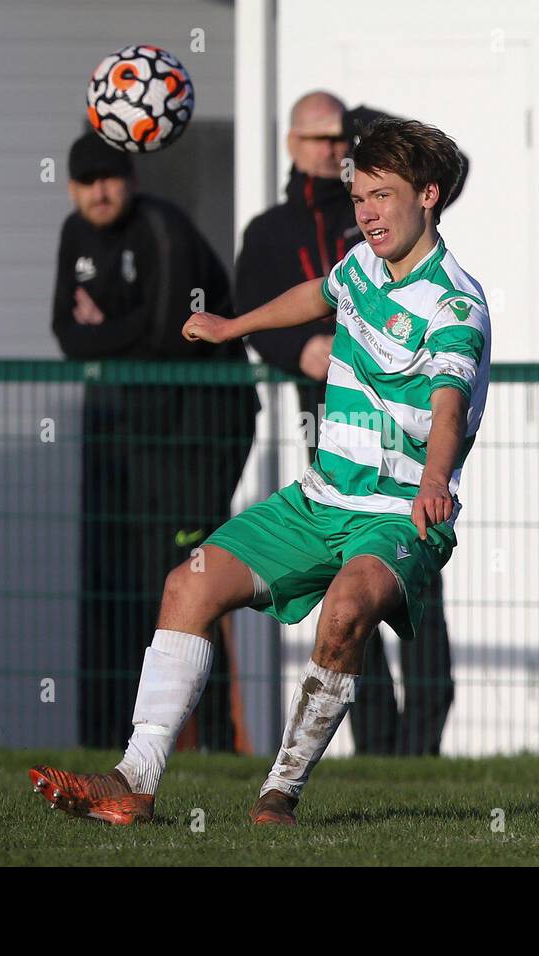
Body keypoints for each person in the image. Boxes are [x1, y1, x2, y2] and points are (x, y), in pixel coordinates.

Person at [31, 118, 491, 825]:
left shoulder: (455, 301)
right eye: (359, 196)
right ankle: (134, 781)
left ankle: (279, 794)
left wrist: (435, 480)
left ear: (428, 196)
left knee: (345, 609)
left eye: (383, 196)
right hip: (317, 501)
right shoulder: (364, 265)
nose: (366, 212)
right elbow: (318, 293)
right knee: (186, 585)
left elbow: (449, 400)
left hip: (398, 514)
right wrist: (231, 326)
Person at [237, 90, 469, 756]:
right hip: (332, 430)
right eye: (319, 139)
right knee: (352, 599)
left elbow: (449, 169)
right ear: (292, 146)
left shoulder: (376, 213)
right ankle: (374, 741)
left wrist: (382, 129)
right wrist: (298, 349)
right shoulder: (272, 231)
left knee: (412, 592)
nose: (334, 149)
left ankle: (422, 743)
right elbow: (263, 307)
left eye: (344, 137)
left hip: (408, 452)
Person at [51, 131, 258, 752]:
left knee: (193, 581)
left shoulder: (163, 227)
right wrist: (130, 328)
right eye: (87, 182)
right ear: (71, 188)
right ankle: (116, 743)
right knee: (123, 584)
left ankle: (219, 741)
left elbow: (173, 334)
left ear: (132, 180)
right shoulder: (74, 235)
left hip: (197, 433)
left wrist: (108, 326)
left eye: (110, 177)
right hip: (129, 434)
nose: (100, 191)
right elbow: (66, 332)